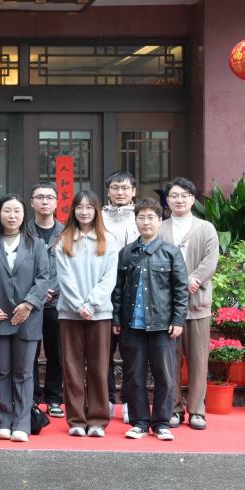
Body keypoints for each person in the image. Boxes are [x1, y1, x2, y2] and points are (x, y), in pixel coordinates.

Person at [0, 194, 50, 443]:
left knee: (24, 372)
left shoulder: (36, 244)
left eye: (17, 211)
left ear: (24, 214)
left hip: (27, 318)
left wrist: (29, 304)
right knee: (0, 371)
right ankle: (2, 422)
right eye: (7, 210)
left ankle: (22, 423)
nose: (12, 215)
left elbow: (43, 277)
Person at [112, 198, 188, 442]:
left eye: (151, 217)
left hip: (162, 325)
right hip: (132, 324)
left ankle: (162, 422)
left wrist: (178, 320)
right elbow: (118, 289)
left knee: (164, 375)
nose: (146, 222)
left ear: (159, 220)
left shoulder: (171, 252)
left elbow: (181, 290)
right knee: (134, 376)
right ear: (135, 221)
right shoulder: (126, 253)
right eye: (141, 217)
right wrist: (116, 318)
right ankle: (140, 422)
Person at [55, 190, 118, 438]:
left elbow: (109, 278)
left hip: (99, 314)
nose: (84, 212)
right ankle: (76, 420)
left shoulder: (108, 240)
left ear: (96, 211)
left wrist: (91, 305)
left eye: (89, 207)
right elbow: (64, 278)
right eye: (79, 207)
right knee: (72, 369)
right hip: (69, 314)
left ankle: (98, 420)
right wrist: (78, 305)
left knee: (99, 368)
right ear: (73, 210)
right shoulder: (64, 240)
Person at [159, 177, 220, 431]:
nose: (179, 200)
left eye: (184, 196)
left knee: (198, 360)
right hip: (167, 305)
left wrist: (192, 280)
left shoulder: (206, 228)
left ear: (193, 199)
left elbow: (210, 260)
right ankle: (173, 409)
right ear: (167, 200)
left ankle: (197, 410)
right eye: (174, 196)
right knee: (170, 361)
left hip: (197, 304)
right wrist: (176, 284)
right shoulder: (160, 228)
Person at [102, 170, 140, 424]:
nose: (120, 192)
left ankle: (128, 401)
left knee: (131, 353)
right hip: (103, 292)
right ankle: (105, 400)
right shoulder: (99, 216)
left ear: (134, 191)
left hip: (132, 292)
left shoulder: (142, 217)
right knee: (103, 353)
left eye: (125, 188)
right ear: (108, 191)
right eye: (115, 188)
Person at [29, 183, 65, 419]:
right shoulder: (23, 232)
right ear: (32, 202)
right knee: (29, 352)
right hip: (31, 302)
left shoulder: (67, 233)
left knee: (57, 353)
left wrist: (54, 290)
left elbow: (72, 267)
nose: (44, 201)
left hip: (57, 302)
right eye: (39, 197)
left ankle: (53, 398)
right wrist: (37, 292)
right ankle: (31, 398)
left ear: (56, 202)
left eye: (49, 197)